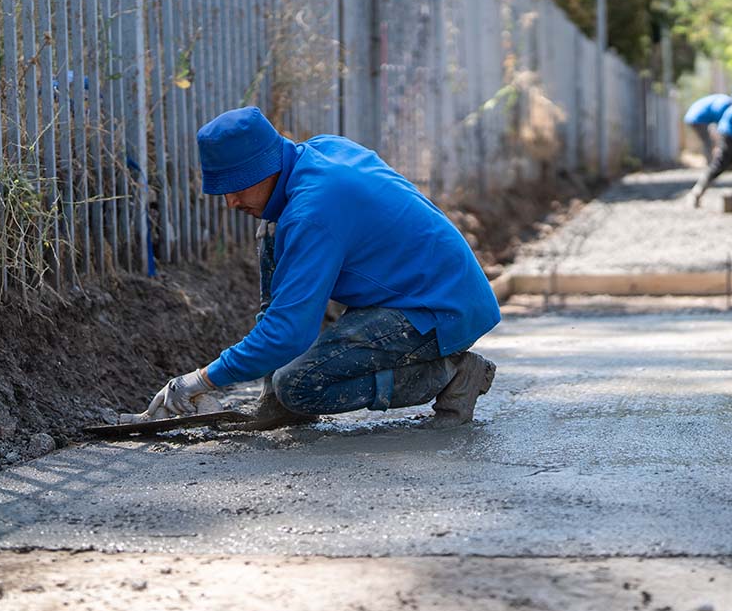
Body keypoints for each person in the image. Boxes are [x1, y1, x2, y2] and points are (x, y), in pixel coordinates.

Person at [127, 107, 501, 430]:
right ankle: (276, 404)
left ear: (265, 167)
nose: (231, 202)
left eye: (237, 186)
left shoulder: (314, 210)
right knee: (271, 229)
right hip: (421, 290)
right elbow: (284, 317)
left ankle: (451, 375)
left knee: (300, 385)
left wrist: (200, 380)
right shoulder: (316, 155)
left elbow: (288, 333)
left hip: (441, 309)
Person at [683, 93, 732, 163]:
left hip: (694, 117)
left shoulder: (723, 99)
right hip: (698, 119)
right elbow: (719, 120)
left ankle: (713, 162)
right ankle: (712, 163)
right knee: (708, 141)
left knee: (708, 140)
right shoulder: (725, 102)